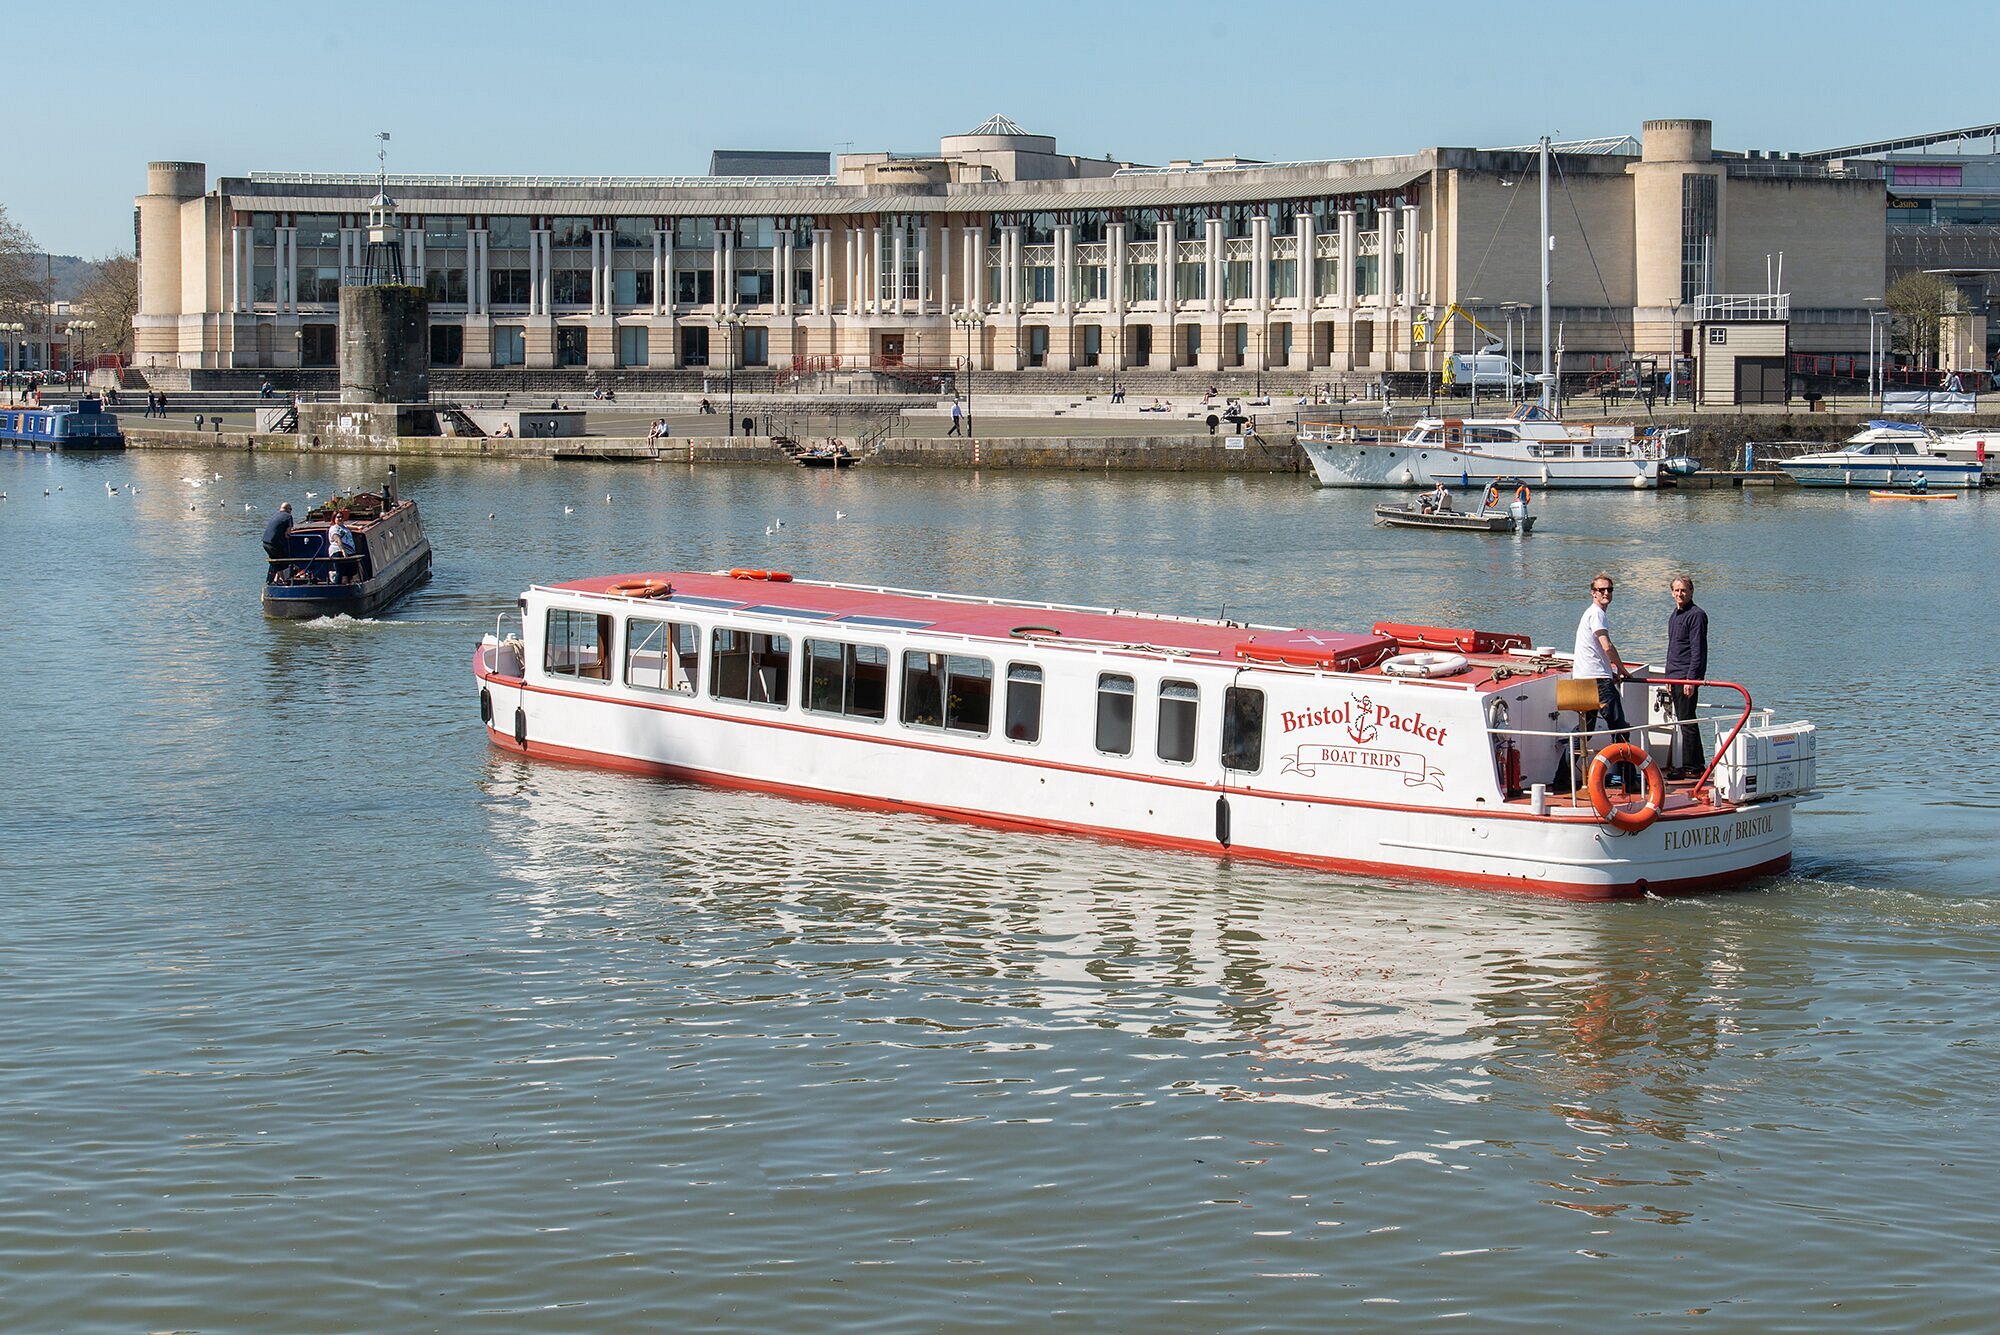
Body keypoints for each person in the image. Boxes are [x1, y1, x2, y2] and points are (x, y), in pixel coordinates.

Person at [1573, 573, 1639, 790]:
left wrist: (1609, 670)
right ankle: (1629, 783)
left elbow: (1595, 652)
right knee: (1620, 728)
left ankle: (1561, 777)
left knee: (1585, 730)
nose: (1606, 593)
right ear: (1593, 593)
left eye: (1609, 589)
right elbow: (1606, 646)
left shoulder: (1588, 614)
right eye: (1601, 590)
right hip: (1597, 681)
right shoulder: (1597, 615)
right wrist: (1622, 670)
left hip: (1582, 679)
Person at [1664, 575, 1709, 779]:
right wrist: (1667, 677)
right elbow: (1672, 647)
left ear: (1691, 592)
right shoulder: (1675, 615)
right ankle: (1689, 763)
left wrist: (1692, 678)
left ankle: (1694, 765)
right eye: (1676, 590)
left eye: (1683, 590)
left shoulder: (1696, 615)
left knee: (1687, 720)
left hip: (1685, 677)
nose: (1679, 594)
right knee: (1681, 720)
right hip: (1674, 676)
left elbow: (1698, 649)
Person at [325, 512, 355, 582]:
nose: (340, 518)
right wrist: (343, 551)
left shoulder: (343, 527)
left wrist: (358, 527)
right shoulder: (334, 528)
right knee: (340, 572)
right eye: (338, 517)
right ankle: (336, 586)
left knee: (348, 572)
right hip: (338, 551)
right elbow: (337, 539)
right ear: (334, 519)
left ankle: (347, 587)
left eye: (341, 517)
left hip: (349, 552)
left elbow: (348, 527)